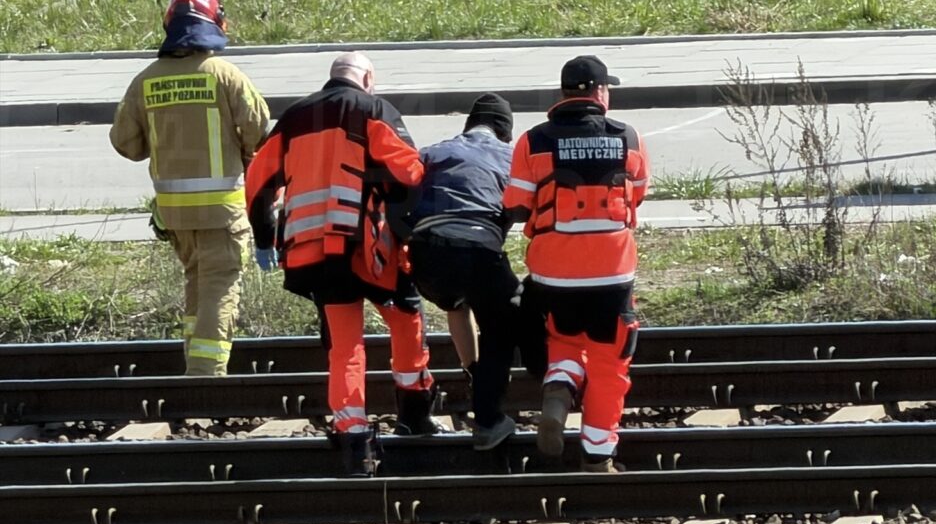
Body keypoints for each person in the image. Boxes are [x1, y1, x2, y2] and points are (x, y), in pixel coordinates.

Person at [245, 51, 443, 475]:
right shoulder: (373, 110)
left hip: (313, 252)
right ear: (367, 78)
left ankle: (354, 440)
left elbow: (258, 179)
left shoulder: (294, 118)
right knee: (407, 320)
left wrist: (265, 238)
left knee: (344, 345)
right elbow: (411, 173)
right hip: (370, 250)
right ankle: (414, 413)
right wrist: (406, 224)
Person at [110, 0, 271, 377]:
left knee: (196, 287)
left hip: (175, 216)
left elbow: (126, 143)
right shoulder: (224, 74)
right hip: (223, 212)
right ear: (214, 24)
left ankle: (192, 371)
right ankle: (206, 382)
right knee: (219, 288)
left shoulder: (146, 80)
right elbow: (260, 132)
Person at [503, 55, 649, 473]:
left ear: (564, 93)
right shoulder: (630, 137)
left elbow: (515, 204)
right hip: (612, 271)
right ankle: (598, 454)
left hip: (553, 272)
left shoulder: (534, 140)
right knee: (608, 363)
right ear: (601, 92)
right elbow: (637, 194)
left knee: (563, 340)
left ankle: (559, 388)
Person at [406, 93, 547, 451]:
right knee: (503, 324)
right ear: (505, 132)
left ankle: (474, 374)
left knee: (457, 303)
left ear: (468, 126)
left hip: (426, 258)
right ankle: (490, 419)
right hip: (475, 250)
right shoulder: (509, 157)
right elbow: (528, 208)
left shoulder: (432, 152)